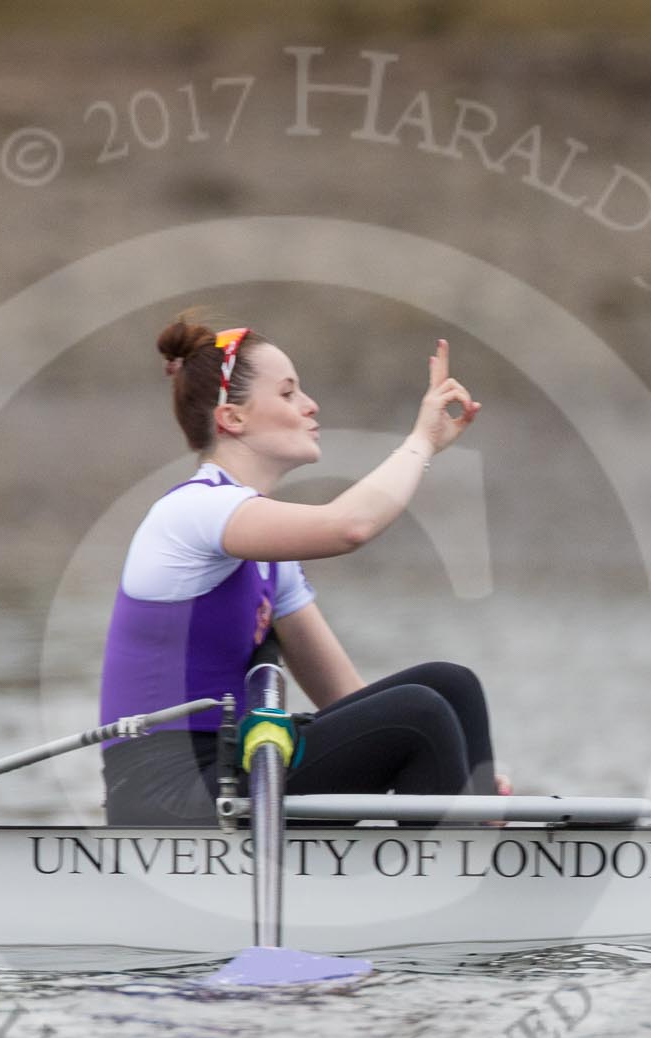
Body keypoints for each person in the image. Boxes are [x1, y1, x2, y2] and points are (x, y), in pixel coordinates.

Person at [99, 314, 510, 826]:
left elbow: (346, 700)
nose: (311, 405)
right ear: (232, 418)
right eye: (289, 393)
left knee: (451, 685)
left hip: (241, 772)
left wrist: (463, 770)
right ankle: (459, 872)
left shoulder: (270, 558)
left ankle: (482, 838)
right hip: (165, 789)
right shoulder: (191, 513)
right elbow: (349, 527)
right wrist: (421, 443)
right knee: (421, 715)